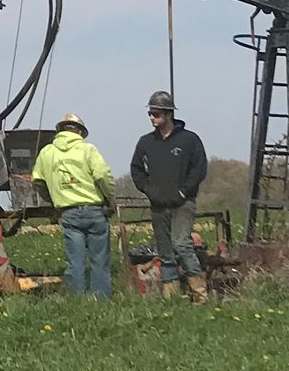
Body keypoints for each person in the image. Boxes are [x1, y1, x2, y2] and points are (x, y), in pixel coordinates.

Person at [131, 89, 209, 301]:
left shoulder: (189, 140)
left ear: (168, 114)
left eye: (156, 114)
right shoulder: (146, 142)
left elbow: (199, 168)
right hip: (158, 205)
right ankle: (170, 296)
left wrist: (184, 191)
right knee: (165, 252)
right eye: (150, 114)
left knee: (181, 244)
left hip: (183, 203)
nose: (152, 118)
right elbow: (136, 169)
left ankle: (200, 294)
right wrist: (149, 190)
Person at [31, 111, 118, 299]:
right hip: (95, 210)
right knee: (99, 260)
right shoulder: (88, 150)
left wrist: (54, 200)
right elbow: (103, 176)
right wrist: (111, 200)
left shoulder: (47, 152)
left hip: (68, 212)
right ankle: (101, 300)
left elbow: (37, 181)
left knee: (75, 261)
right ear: (80, 131)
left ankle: (77, 300)